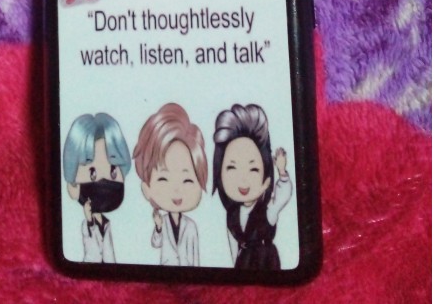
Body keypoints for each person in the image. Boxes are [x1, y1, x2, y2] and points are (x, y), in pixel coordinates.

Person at [212, 103, 293, 270]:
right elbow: (233, 247)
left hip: (266, 263)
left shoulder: (267, 211)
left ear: (266, 178)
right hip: (242, 264)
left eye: (253, 169)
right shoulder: (232, 215)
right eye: (232, 168)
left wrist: (282, 172)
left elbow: (283, 196)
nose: (243, 179)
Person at [132, 104, 208, 266]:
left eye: (187, 180)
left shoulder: (191, 226)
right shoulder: (164, 222)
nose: (176, 190)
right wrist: (158, 227)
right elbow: (156, 243)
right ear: (147, 188)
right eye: (163, 179)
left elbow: (195, 257)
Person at [62, 113, 131, 263]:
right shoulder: (85, 225)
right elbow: (91, 252)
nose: (104, 181)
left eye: (113, 171)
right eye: (92, 173)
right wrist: (89, 220)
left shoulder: (107, 224)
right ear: (73, 186)